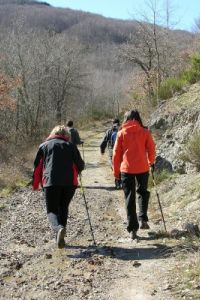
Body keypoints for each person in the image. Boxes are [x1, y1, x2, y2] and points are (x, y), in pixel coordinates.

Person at [32, 125, 85, 248]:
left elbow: (37, 167)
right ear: (67, 135)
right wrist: (78, 171)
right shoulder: (71, 146)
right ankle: (60, 238)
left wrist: (35, 185)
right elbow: (80, 165)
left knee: (52, 210)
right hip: (69, 183)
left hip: (51, 182)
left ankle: (58, 229)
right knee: (63, 207)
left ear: (52, 133)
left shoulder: (44, 146)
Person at [112, 110, 156, 239]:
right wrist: (151, 162)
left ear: (126, 119)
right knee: (143, 192)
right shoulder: (145, 132)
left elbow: (116, 155)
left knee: (129, 198)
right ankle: (143, 219)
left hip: (126, 169)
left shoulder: (121, 133)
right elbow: (152, 149)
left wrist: (116, 173)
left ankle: (133, 230)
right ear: (138, 118)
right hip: (143, 167)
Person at [100, 118, 121, 189]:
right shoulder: (122, 129)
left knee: (114, 166)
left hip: (112, 152)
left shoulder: (109, 131)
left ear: (113, 123)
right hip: (122, 151)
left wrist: (102, 150)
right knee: (121, 165)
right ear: (119, 123)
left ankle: (117, 182)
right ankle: (121, 181)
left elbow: (103, 142)